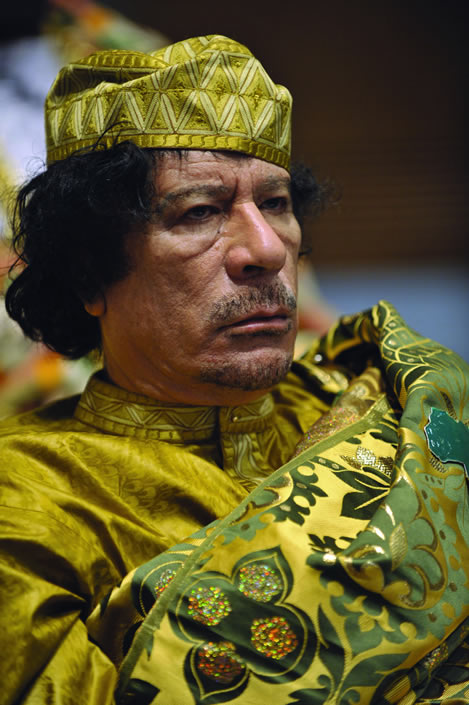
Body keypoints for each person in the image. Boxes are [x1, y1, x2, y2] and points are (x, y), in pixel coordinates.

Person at [1, 34, 468, 705]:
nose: (266, 249)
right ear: (88, 274)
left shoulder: (387, 407)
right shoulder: (26, 500)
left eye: (275, 203)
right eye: (200, 212)